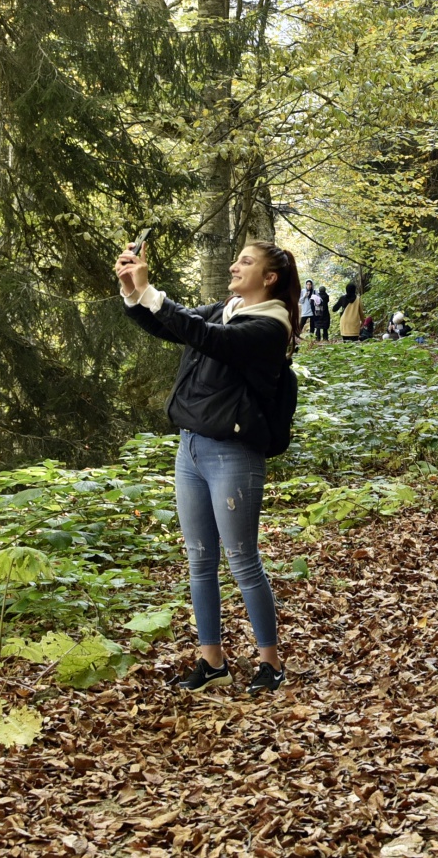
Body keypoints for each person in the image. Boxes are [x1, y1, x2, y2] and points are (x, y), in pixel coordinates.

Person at [115, 240, 296, 695]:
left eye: (246, 262)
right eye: (236, 258)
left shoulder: (270, 327)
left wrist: (152, 292)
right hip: (190, 448)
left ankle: (270, 663)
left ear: (269, 278)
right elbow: (177, 327)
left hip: (232, 454)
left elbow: (209, 338)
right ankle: (212, 660)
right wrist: (133, 293)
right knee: (199, 561)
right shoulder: (228, 308)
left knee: (242, 561)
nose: (235, 266)